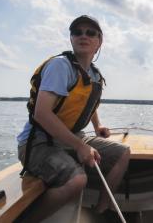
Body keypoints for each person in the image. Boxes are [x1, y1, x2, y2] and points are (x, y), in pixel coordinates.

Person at [17, 15, 130, 222]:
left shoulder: (94, 75)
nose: (83, 36)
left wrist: (98, 126)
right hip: (38, 142)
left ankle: (100, 212)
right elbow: (41, 113)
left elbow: (87, 103)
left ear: (99, 42)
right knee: (77, 180)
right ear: (71, 38)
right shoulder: (61, 66)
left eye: (90, 32)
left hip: (71, 137)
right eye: (77, 32)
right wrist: (79, 146)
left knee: (122, 153)